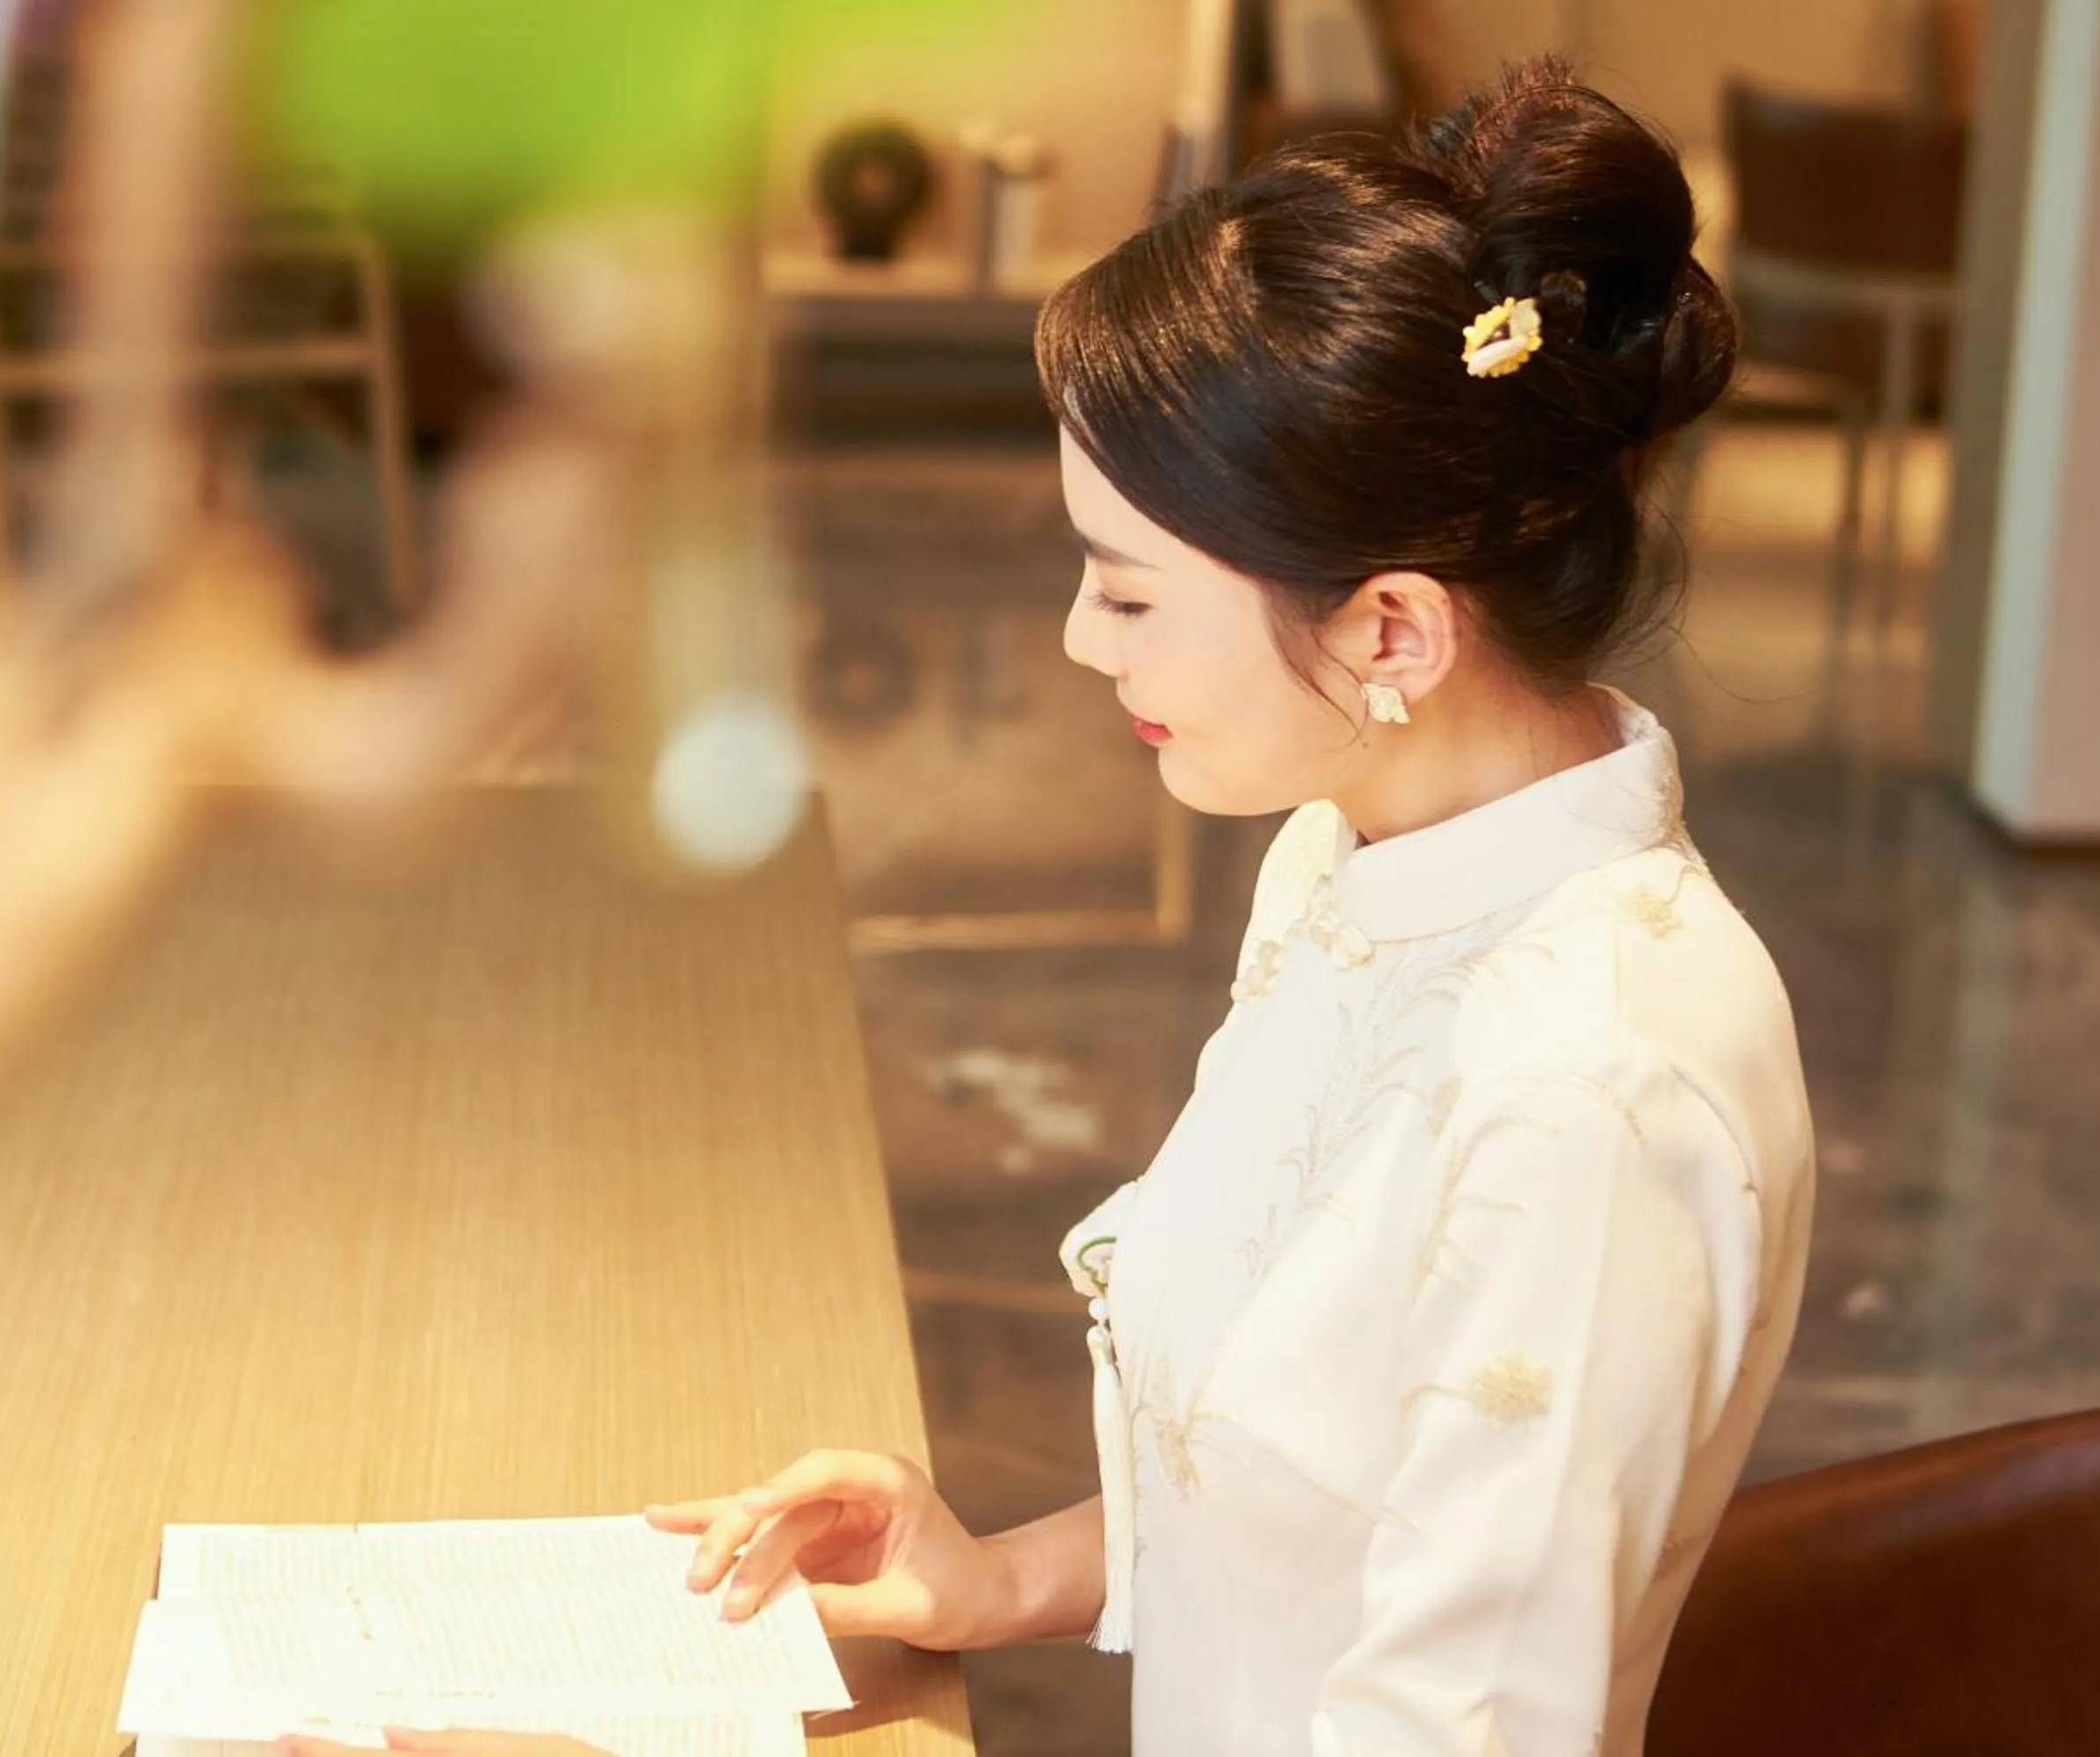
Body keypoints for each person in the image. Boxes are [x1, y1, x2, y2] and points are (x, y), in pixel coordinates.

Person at [286, 54, 1814, 1757]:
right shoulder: (1359, 855)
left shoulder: (1591, 1090)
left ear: (1391, 631)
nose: (1087, 641)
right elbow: (1335, 1481)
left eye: (1133, 589)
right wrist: (1003, 1578)